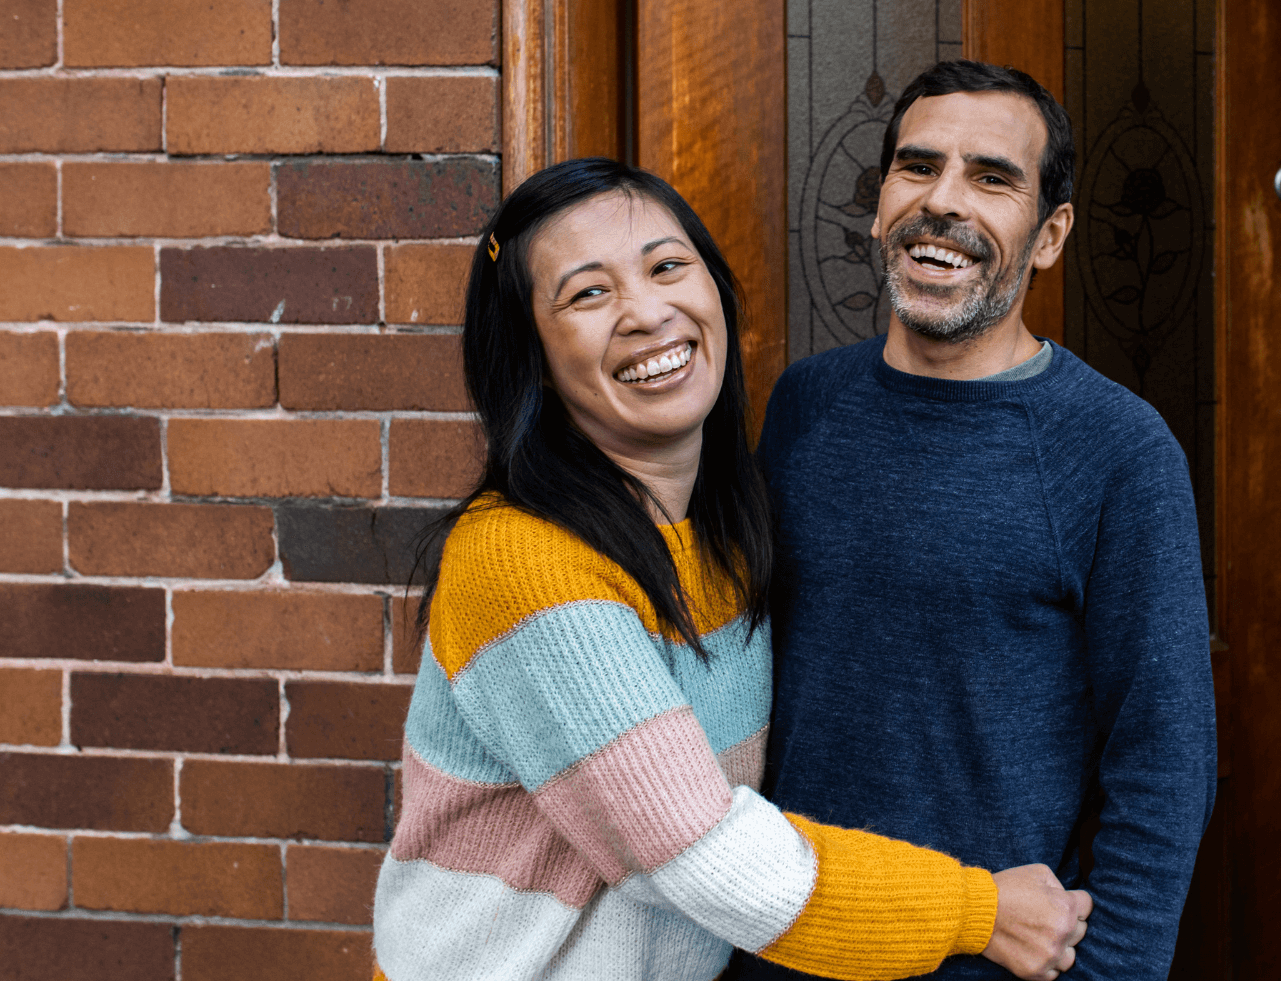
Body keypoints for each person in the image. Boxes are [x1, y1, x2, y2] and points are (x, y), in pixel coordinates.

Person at [372, 158, 1091, 981]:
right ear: (532, 356)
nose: (648, 312)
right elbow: (701, 856)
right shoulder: (522, 559)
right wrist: (979, 910)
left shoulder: (729, 524)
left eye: (667, 267)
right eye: (587, 294)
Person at [738, 62, 1217, 981]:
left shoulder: (1117, 449)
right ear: (880, 206)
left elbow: (1164, 762)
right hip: (787, 943)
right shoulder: (804, 406)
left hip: (989, 960)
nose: (943, 203)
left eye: (992, 179)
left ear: (1049, 235)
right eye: (916, 168)